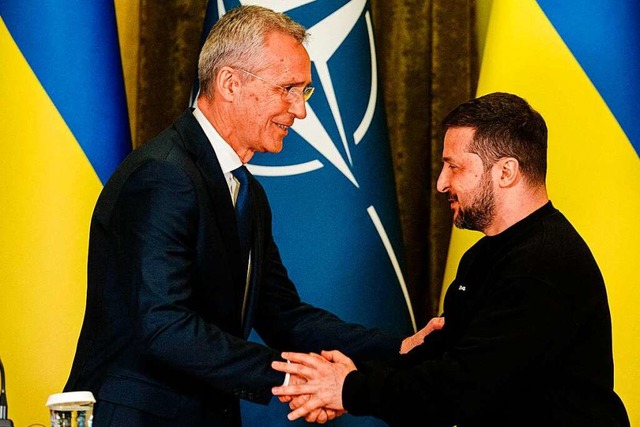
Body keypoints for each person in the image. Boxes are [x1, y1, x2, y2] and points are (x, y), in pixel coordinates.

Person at [63, 5, 431, 427]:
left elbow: (284, 316)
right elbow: (164, 325)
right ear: (230, 83)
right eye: (287, 89)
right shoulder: (163, 175)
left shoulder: (246, 191)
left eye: (304, 92)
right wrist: (297, 378)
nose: (301, 110)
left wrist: (398, 348)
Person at [272, 92, 631, 426]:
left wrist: (350, 390)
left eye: (454, 167)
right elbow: (444, 359)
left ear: (505, 172)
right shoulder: (486, 254)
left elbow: (462, 388)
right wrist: (353, 377)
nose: (442, 183)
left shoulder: (542, 266)